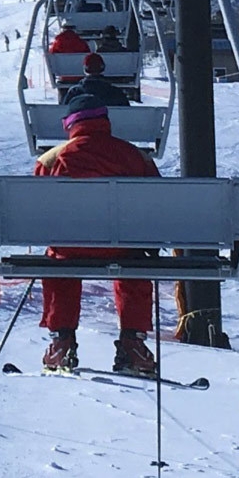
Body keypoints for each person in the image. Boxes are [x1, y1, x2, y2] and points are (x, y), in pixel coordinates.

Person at [35, 93, 161, 376]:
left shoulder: (51, 159)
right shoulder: (134, 155)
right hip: (123, 246)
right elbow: (155, 202)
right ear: (106, 121)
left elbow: (39, 206)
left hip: (70, 247)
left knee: (58, 262)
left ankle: (62, 341)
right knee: (134, 264)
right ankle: (132, 344)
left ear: (70, 124)